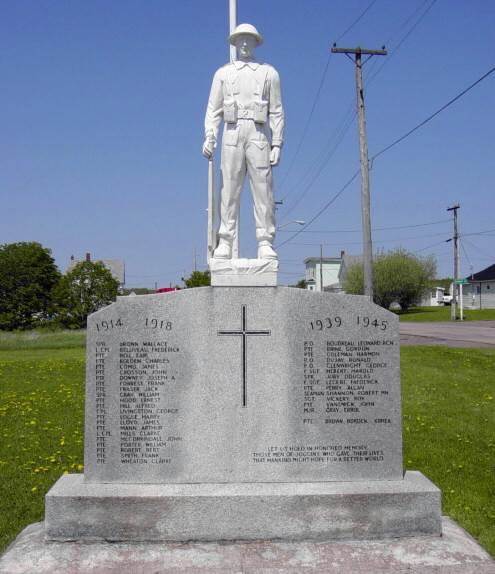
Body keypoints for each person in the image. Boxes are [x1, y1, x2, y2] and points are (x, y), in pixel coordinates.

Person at [203, 23, 284, 260]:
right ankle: (225, 240)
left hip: (258, 133)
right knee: (228, 188)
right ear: (235, 43)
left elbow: (276, 111)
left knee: (263, 190)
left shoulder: (269, 73)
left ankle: (265, 240)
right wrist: (210, 135)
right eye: (241, 40)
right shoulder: (223, 74)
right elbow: (213, 110)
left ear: (256, 42)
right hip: (232, 131)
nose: (245, 44)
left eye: (249, 39)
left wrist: (277, 142)